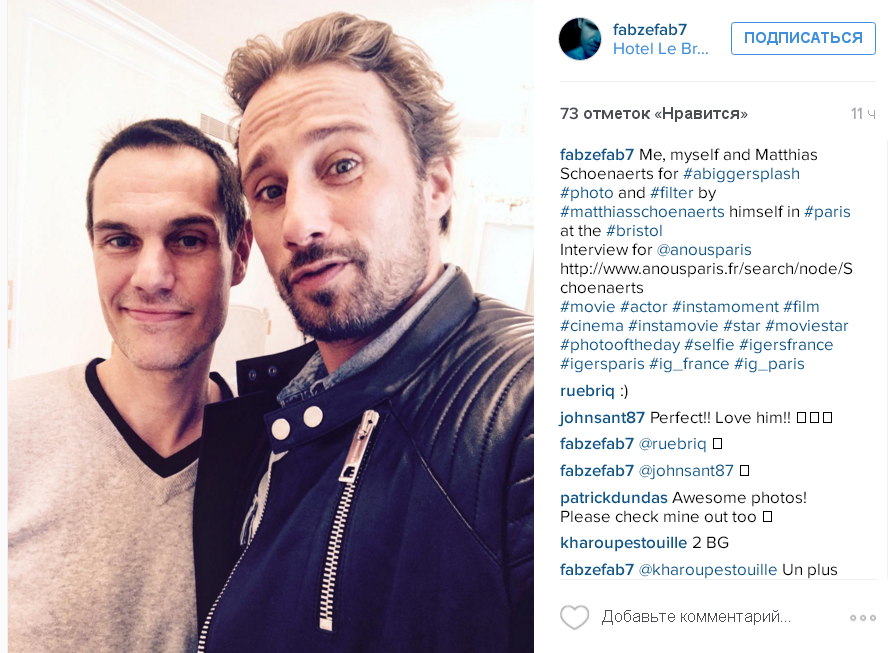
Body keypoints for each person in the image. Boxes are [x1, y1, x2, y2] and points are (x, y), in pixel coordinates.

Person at [192, 12, 534, 653]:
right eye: (270, 189)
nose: (299, 224)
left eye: (343, 165)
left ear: (436, 186)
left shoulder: (535, 410)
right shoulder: (285, 410)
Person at [8, 119, 251, 653]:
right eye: (120, 240)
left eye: (188, 239)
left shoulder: (278, 464)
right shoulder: (11, 432)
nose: (151, 277)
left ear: (240, 254)